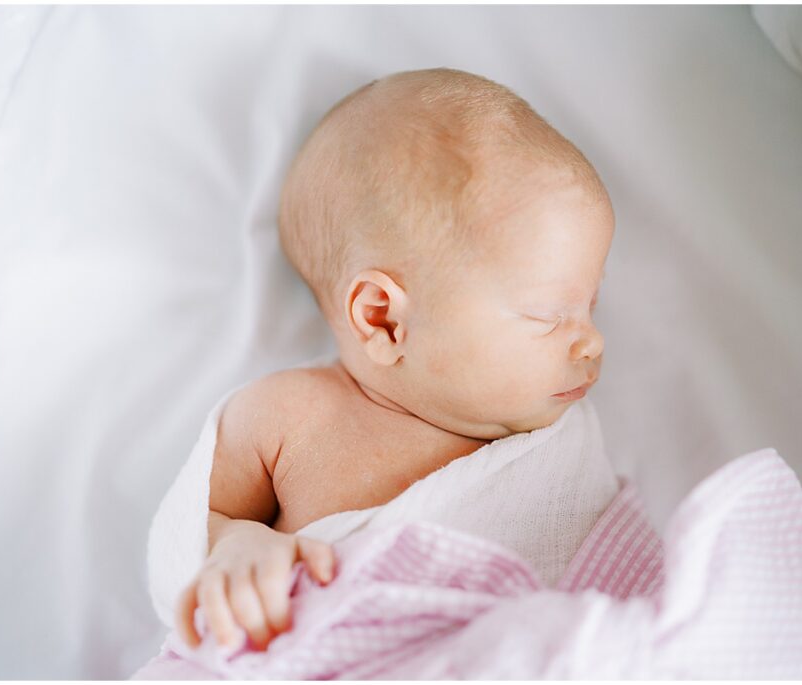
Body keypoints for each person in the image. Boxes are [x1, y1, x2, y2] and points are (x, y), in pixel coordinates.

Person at [175, 67, 614, 651]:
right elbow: (190, 524)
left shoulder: (557, 455)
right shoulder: (285, 418)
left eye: (591, 305)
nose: (593, 342)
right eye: (547, 315)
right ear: (382, 318)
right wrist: (235, 546)